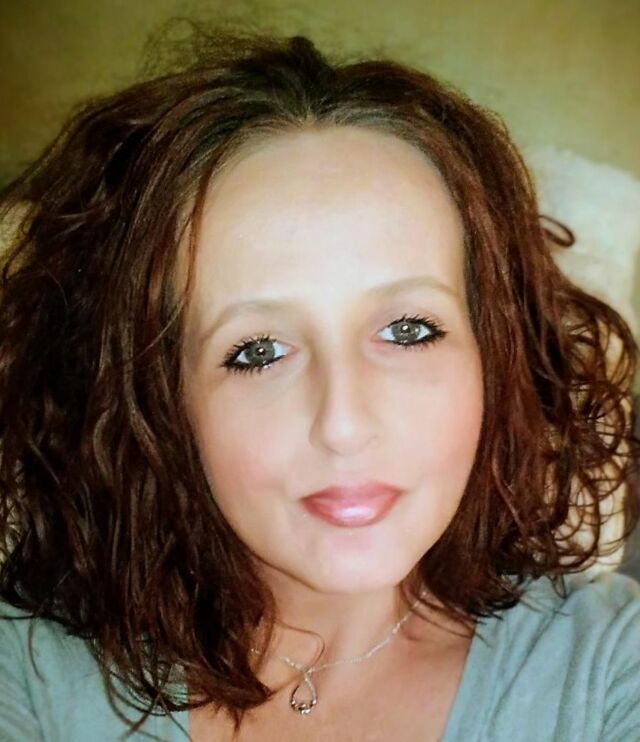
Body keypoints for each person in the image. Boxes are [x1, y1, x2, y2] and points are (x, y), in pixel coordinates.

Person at [0, 24, 639, 742]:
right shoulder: (29, 671)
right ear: (161, 397)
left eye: (408, 330)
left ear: (494, 354)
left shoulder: (610, 671)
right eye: (258, 350)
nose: (343, 423)